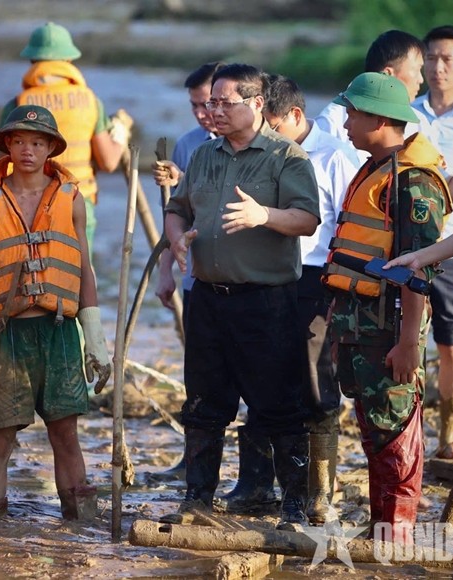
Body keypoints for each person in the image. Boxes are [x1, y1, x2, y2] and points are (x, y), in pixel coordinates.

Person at [162, 63, 320, 530]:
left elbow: (306, 219)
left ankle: (294, 504)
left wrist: (263, 215)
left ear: (255, 103)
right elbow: (177, 208)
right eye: (210, 102)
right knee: (203, 404)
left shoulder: (285, 156)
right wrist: (175, 241)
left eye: (223, 103)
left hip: (265, 302)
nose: (213, 112)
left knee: (277, 405)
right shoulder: (206, 155)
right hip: (207, 299)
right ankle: (197, 500)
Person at [0, 104, 112, 520]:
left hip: (58, 334)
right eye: (19, 141)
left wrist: (95, 340)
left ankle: (81, 522)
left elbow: (83, 268)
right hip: (6, 336)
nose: (27, 150)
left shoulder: (72, 199)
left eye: (37, 142)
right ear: (6, 145)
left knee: (66, 434)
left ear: (51, 149)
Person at [216, 75, 360, 522]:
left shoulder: (337, 156)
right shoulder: (260, 153)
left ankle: (319, 490)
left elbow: (349, 228)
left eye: (273, 124)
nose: (266, 133)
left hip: (318, 280)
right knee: (262, 381)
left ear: (295, 117)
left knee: (317, 388)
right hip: (268, 277)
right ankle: (257, 484)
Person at [323, 72, 450, 542]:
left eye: (353, 114)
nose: (346, 122)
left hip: (388, 330)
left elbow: (418, 273)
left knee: (395, 432)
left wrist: (407, 343)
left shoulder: (413, 183)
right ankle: (381, 530)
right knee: (374, 429)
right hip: (357, 325)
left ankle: (395, 535)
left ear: (379, 119)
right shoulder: (375, 167)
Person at [1, 22, 129, 257]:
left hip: (28, 206)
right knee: (79, 276)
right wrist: (120, 132)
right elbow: (109, 162)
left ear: (33, 62)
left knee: (32, 277)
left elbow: (3, 166)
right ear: (69, 62)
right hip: (79, 201)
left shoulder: (18, 106)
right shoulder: (90, 101)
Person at [411, 25, 453, 460]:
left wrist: (447, 189)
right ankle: (407, 433)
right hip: (409, 244)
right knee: (406, 340)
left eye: (447, 59)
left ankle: (448, 437)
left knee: (452, 343)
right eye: (430, 58)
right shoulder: (406, 114)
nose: (437, 67)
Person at [152, 61, 224, 318]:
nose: (200, 113)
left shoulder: (249, 145)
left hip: (239, 280)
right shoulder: (188, 144)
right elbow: (174, 215)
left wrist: (183, 179)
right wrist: (165, 273)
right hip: (195, 276)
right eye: (194, 105)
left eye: (206, 104)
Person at [315, 29, 428, 164]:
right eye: (416, 70)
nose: (421, 79)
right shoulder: (333, 121)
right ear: (387, 75)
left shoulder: (418, 121)